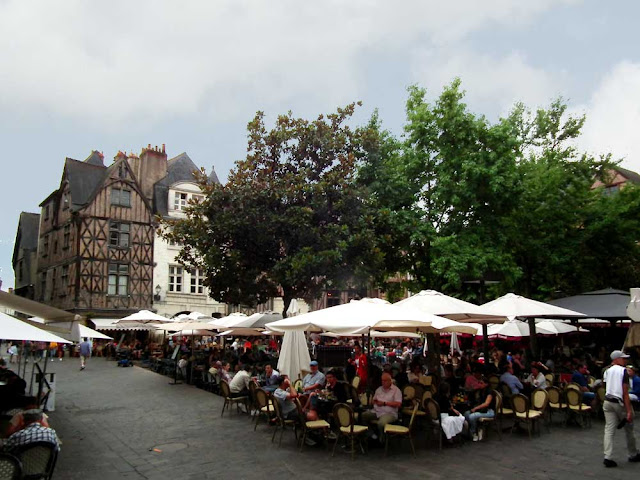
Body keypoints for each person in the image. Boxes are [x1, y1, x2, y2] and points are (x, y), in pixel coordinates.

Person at [602, 350, 640, 467]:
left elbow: (605, 386)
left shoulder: (607, 371)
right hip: (619, 402)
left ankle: (607, 456)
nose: (625, 360)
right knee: (629, 429)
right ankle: (632, 453)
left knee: (609, 430)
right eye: (623, 358)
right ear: (617, 359)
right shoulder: (623, 371)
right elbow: (625, 393)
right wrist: (628, 411)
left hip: (608, 401)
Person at [362, 372, 402, 440]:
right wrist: (374, 402)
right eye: (382, 380)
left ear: (390, 381)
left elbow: (398, 404)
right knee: (362, 416)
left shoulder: (396, 390)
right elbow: (373, 401)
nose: (383, 382)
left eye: (385, 380)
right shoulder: (379, 389)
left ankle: (382, 439)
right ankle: (371, 434)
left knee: (381, 423)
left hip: (389, 413)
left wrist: (384, 403)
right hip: (377, 411)